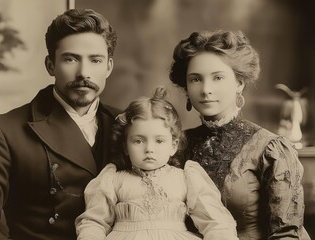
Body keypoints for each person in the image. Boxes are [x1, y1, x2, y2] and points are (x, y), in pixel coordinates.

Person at [0, 9, 118, 240]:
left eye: (95, 60)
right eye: (70, 59)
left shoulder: (128, 125)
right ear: (50, 65)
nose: (84, 73)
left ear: (109, 67)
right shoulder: (0, 133)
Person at [169, 30, 310, 239]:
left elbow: (286, 233)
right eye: (195, 79)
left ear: (239, 83)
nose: (206, 89)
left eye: (218, 77)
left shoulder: (270, 148)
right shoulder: (176, 145)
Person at [75, 86, 239, 240]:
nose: (149, 149)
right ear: (125, 146)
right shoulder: (113, 179)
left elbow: (215, 222)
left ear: (173, 146)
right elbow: (94, 222)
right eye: (138, 141)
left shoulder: (186, 178)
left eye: (159, 141)